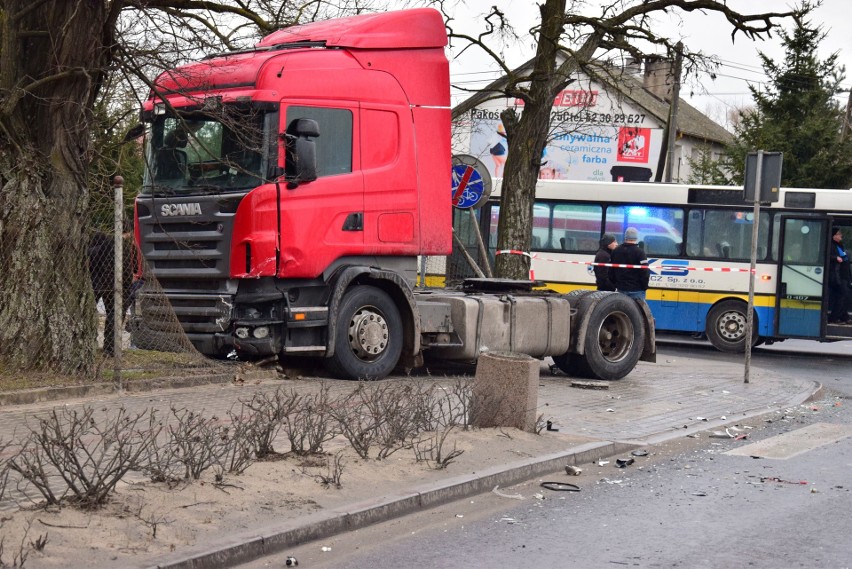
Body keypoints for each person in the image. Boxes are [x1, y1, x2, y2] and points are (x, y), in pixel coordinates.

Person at [88, 223, 139, 355]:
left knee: (93, 313)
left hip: (96, 283)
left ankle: (94, 343)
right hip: (114, 285)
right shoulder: (120, 246)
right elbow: (126, 270)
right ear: (127, 233)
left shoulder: (95, 249)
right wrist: (128, 286)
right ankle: (110, 348)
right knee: (114, 314)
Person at [611, 226, 649, 300]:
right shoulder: (640, 252)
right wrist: (644, 286)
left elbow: (611, 270)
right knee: (637, 311)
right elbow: (645, 271)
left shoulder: (616, 251)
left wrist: (615, 284)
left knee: (622, 310)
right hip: (637, 290)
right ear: (636, 238)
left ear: (625, 237)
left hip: (621, 289)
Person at [828, 226, 851, 324]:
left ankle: (844, 317)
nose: (841, 235)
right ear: (833, 236)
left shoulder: (840, 245)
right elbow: (827, 256)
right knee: (842, 295)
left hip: (844, 276)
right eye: (838, 234)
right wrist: (835, 258)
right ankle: (833, 318)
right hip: (838, 276)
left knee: (845, 296)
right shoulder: (831, 245)